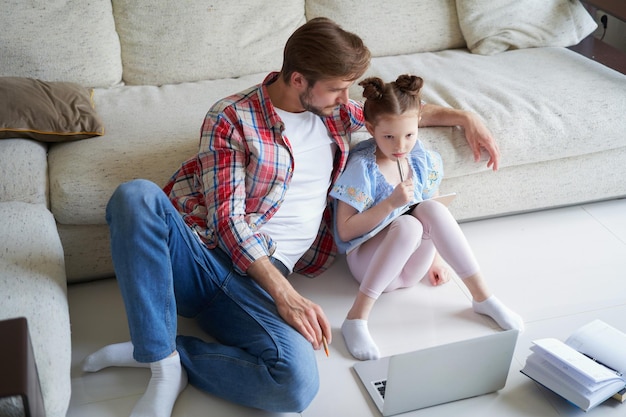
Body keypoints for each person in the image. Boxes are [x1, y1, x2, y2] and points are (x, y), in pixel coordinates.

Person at [81, 18, 503, 417]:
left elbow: (395, 118)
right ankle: (159, 363)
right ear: (298, 80)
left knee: (294, 385)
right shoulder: (231, 117)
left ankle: (172, 351)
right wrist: (286, 295)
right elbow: (229, 221)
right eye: (338, 89)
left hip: (254, 287)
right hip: (204, 257)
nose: (346, 99)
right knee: (134, 196)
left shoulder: (334, 112)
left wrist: (465, 117)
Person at [331, 75, 524, 361]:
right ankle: (356, 318)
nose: (401, 146)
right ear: (370, 128)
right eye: (389, 137)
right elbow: (345, 233)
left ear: (419, 121)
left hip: (408, 271)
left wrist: (434, 260)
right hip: (368, 265)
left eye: (409, 135)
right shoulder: (363, 167)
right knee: (408, 224)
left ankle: (483, 298)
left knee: (432, 208)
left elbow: (430, 214)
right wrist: (390, 205)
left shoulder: (421, 160)